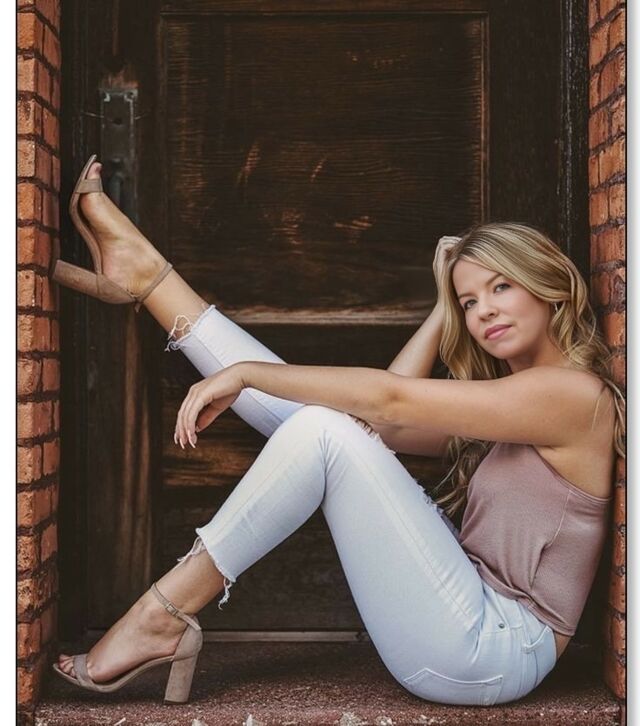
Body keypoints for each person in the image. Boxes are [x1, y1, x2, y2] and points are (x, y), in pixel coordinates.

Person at [51, 156, 625, 706]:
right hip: (467, 622)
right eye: (469, 302)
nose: (484, 312)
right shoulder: (512, 407)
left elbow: (391, 399)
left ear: (550, 286)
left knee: (324, 431)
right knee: (333, 427)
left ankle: (162, 614)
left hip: (493, 651)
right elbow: (379, 424)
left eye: (502, 288)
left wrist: (246, 373)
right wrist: (443, 307)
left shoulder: (573, 396)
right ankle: (147, 277)